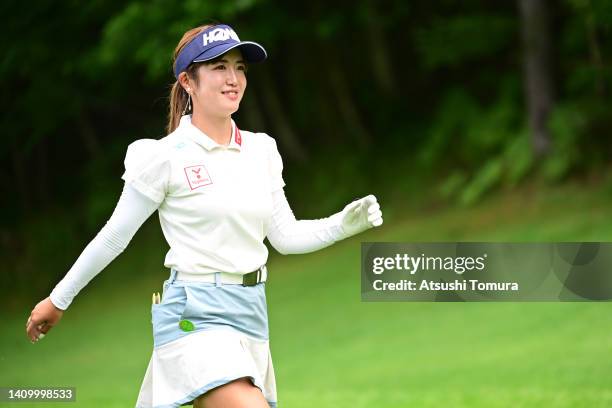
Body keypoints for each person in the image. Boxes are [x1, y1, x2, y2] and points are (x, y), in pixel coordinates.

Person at [25, 23, 383, 408]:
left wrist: (342, 226)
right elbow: (114, 236)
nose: (233, 79)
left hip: (251, 310)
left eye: (240, 68)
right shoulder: (162, 157)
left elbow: (284, 235)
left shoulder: (261, 150)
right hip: (193, 312)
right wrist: (58, 299)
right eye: (219, 67)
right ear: (187, 82)